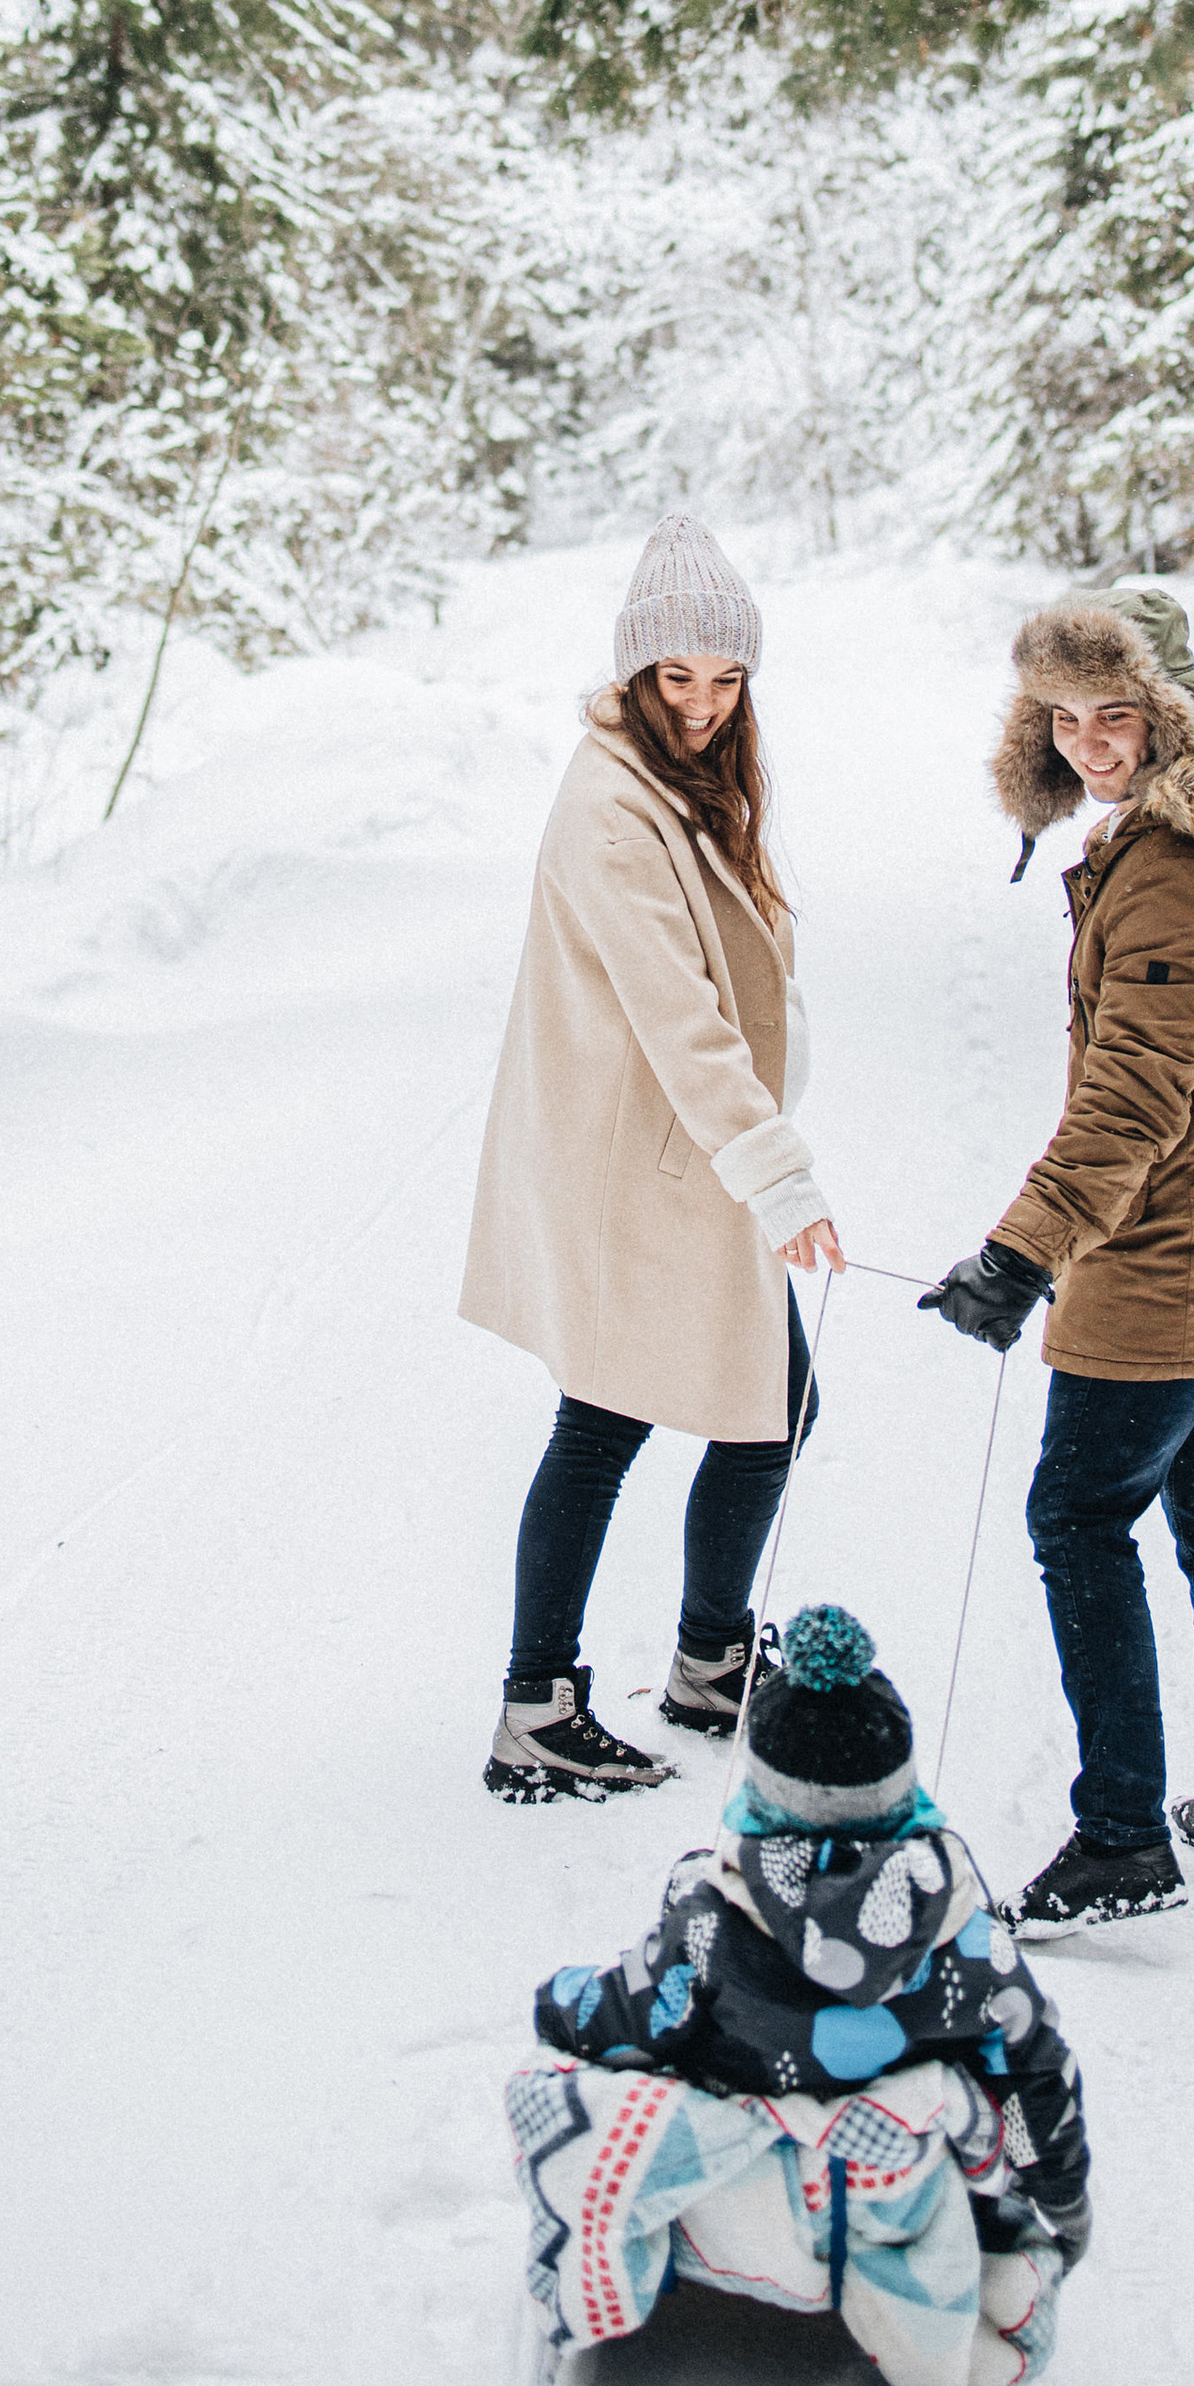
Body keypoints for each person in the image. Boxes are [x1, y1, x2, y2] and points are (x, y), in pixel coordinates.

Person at [920, 581, 1194, 1934]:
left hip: (1177, 1269)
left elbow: (1130, 1103)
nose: (1089, 743)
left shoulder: (1179, 875)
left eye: (1115, 714)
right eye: (1061, 718)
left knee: (1078, 1518)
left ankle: (1119, 1838)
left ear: (1173, 709)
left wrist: (1019, 1255)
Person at [460, 513, 843, 1803]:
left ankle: (705, 1664)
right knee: (610, 1419)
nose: (700, 702)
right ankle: (540, 1707)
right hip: (642, 1165)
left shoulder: (682, 778)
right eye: (675, 675)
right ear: (634, 669)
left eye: (724, 677)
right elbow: (681, 1017)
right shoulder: (614, 809)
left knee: (764, 1404)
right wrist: (777, 1174)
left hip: (676, 1160)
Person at [507, 1605, 1090, 2386]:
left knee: (587, 2085)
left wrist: (559, 2005)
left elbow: (619, 2017)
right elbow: (1037, 2072)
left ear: (764, 1793)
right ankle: (963, 2297)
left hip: (731, 2213)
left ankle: (620, 2262)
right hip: (891, 2214)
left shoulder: (712, 1926)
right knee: (982, 2111)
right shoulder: (965, 1941)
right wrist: (1062, 2203)